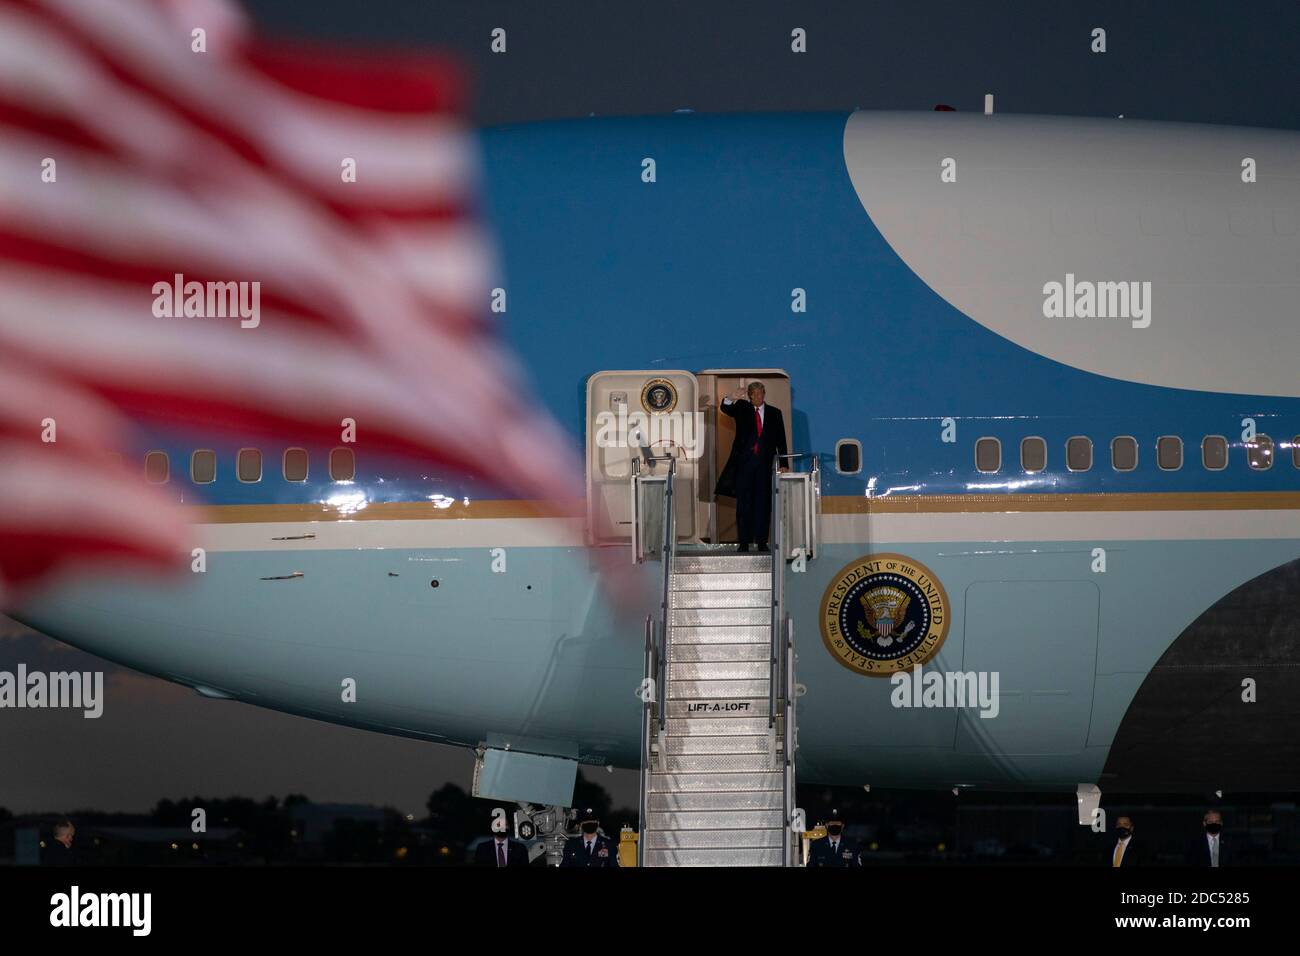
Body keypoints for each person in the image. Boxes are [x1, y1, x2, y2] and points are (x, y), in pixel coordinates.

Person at [715, 382, 788, 552]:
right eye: (754, 394)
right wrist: (731, 398)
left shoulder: (775, 413)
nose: (758, 396)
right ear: (749, 395)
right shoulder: (741, 407)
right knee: (744, 504)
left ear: (764, 394)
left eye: (761, 393)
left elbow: (781, 440)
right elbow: (726, 409)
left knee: (763, 504)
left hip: (764, 466)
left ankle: (762, 542)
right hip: (744, 465)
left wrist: (784, 464)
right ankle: (744, 542)